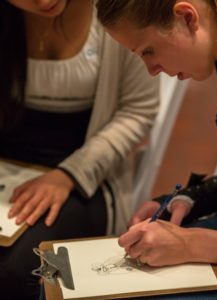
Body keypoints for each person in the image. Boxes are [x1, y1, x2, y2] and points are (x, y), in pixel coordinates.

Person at [96, 0, 217, 298]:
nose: (151, 70)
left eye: (148, 51)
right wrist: (197, 197)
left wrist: (189, 243)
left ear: (186, 17)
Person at [0, 1, 159, 299]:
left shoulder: (119, 11)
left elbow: (138, 110)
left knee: (23, 269)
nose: (45, 1)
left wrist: (68, 175)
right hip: (8, 169)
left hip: (87, 178)